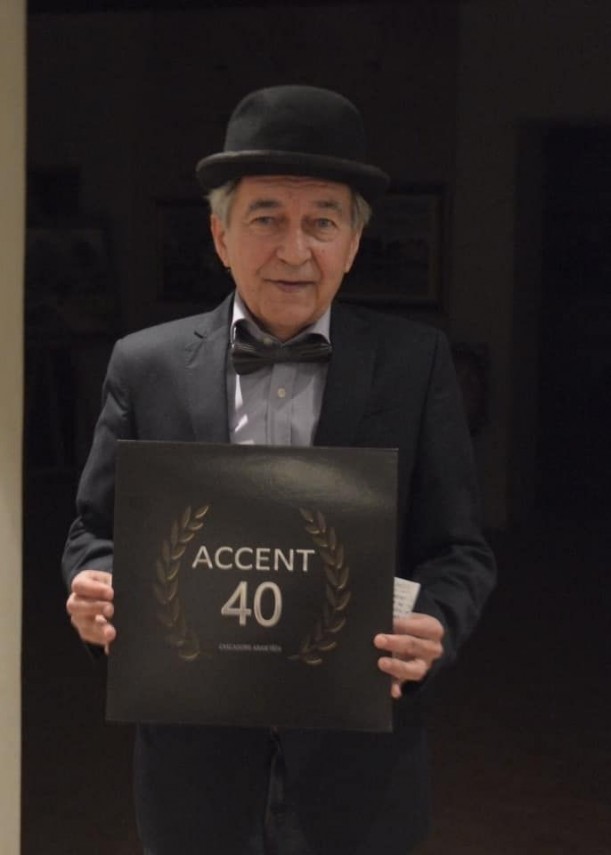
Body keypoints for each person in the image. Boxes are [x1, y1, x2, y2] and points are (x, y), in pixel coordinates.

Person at [63, 85, 496, 855]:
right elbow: (94, 530)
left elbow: (459, 548)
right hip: (192, 769)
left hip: (360, 768)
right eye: (266, 218)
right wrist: (94, 588)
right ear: (220, 235)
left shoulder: (415, 364)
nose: (295, 250)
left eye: (321, 222)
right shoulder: (144, 365)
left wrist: (436, 619)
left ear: (352, 243)